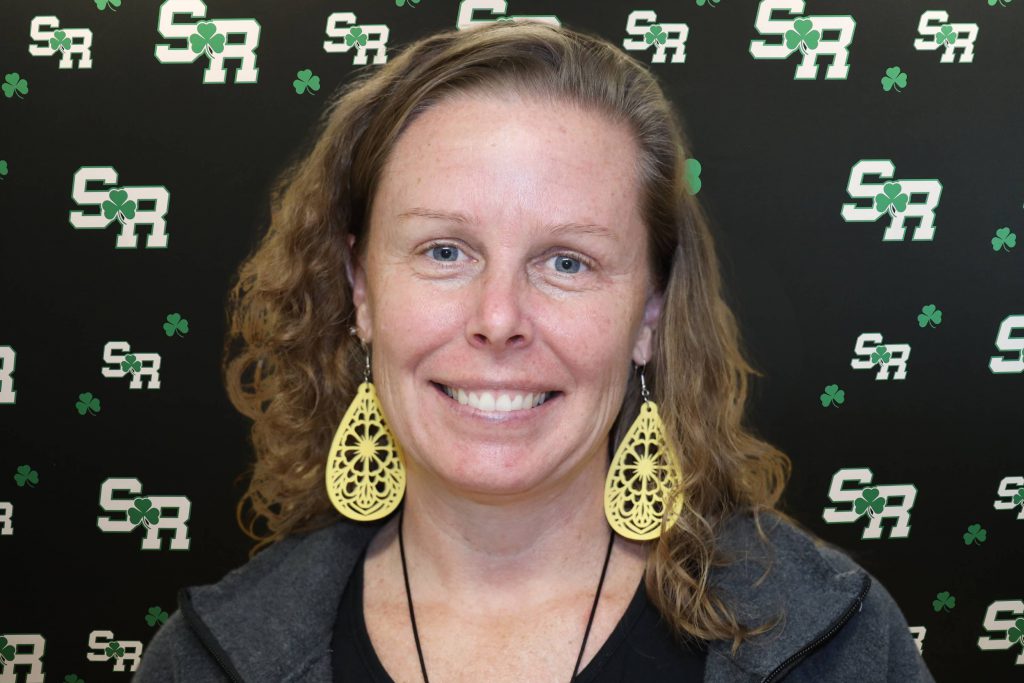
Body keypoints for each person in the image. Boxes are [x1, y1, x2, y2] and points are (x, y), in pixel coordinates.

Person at [133, 20, 935, 683]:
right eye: (445, 250)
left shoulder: (838, 647)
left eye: (567, 261)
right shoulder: (202, 662)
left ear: (649, 313)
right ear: (362, 291)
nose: (499, 317)